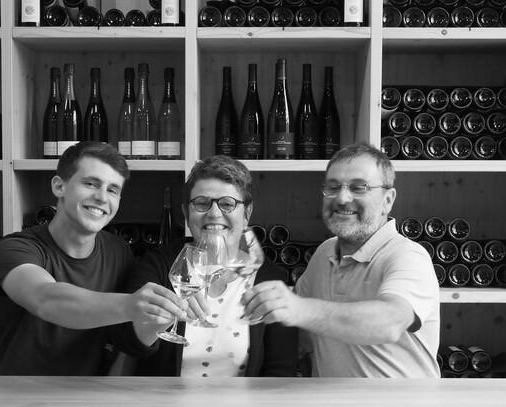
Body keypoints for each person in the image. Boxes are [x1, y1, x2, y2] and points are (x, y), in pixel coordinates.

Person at [242, 142, 440, 378]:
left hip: (398, 403)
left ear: (387, 200)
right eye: (333, 187)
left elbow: (391, 322)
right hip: (327, 402)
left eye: (358, 187)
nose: (343, 198)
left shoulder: (407, 256)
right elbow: (299, 333)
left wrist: (299, 309)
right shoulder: (325, 253)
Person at [0, 142, 187, 375]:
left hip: (87, 393)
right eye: (91, 184)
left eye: (113, 190)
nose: (102, 197)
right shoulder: (15, 249)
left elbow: (122, 340)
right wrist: (131, 305)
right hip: (14, 392)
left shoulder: (118, 251)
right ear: (59, 186)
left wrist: (156, 318)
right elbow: (45, 299)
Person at [111, 155, 299, 377]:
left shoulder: (270, 279)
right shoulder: (158, 266)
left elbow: (281, 370)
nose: (214, 213)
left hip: (243, 400)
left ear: (246, 214)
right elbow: (127, 343)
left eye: (227, 204)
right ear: (186, 213)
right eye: (201, 203)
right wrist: (155, 321)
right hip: (165, 399)